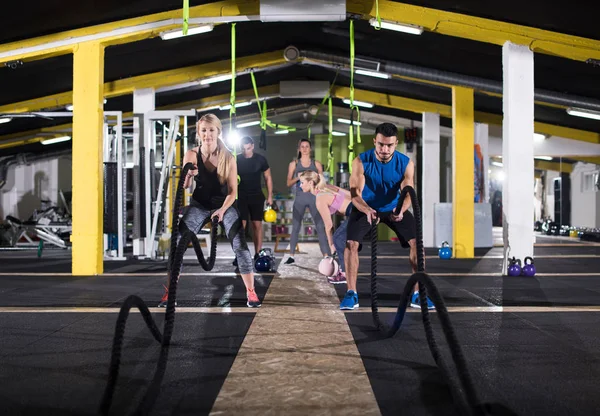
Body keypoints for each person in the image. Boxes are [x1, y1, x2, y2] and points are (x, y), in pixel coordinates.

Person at [159, 113, 261, 308]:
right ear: (198, 133)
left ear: (218, 132)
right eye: (203, 131)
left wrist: (222, 211)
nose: (207, 135)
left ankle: (251, 292)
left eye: (211, 130)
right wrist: (189, 175)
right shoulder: (191, 154)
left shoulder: (229, 157)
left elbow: (233, 192)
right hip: (199, 205)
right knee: (178, 244)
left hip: (225, 204)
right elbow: (185, 186)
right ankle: (169, 293)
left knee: (240, 244)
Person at [340, 122, 434, 311]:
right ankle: (351, 293)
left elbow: (408, 192)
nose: (384, 149)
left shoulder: (406, 163)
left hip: (393, 208)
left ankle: (418, 293)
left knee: (418, 244)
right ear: (375, 141)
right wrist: (367, 210)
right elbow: (355, 194)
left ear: (396, 143)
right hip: (365, 207)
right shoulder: (361, 161)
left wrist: (401, 209)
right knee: (351, 244)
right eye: (381, 144)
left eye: (389, 145)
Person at [298, 170, 351, 284]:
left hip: (356, 213)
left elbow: (328, 225)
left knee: (338, 238)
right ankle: (346, 271)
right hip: (357, 211)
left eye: (302, 182)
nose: (300, 185)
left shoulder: (320, 198)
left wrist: (331, 244)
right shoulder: (327, 188)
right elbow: (350, 195)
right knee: (343, 239)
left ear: (311, 183)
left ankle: (345, 274)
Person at [284, 138, 331, 264]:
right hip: (300, 199)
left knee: (320, 227)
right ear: (299, 149)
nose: (304, 149)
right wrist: (298, 178)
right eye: (302, 146)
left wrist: (316, 180)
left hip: (314, 198)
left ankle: (326, 255)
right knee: (295, 227)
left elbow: (323, 183)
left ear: (310, 149)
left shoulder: (316, 164)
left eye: (307, 146)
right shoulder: (293, 164)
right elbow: (288, 183)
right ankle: (291, 255)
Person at [234, 136, 273, 264]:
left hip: (256, 196)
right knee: (242, 226)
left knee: (257, 225)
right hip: (241, 196)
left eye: (248, 148)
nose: (246, 151)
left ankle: (258, 253)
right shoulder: (236, 159)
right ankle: (240, 255)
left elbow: (268, 178)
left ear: (253, 146)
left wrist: (270, 196)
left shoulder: (261, 159)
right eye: (244, 149)